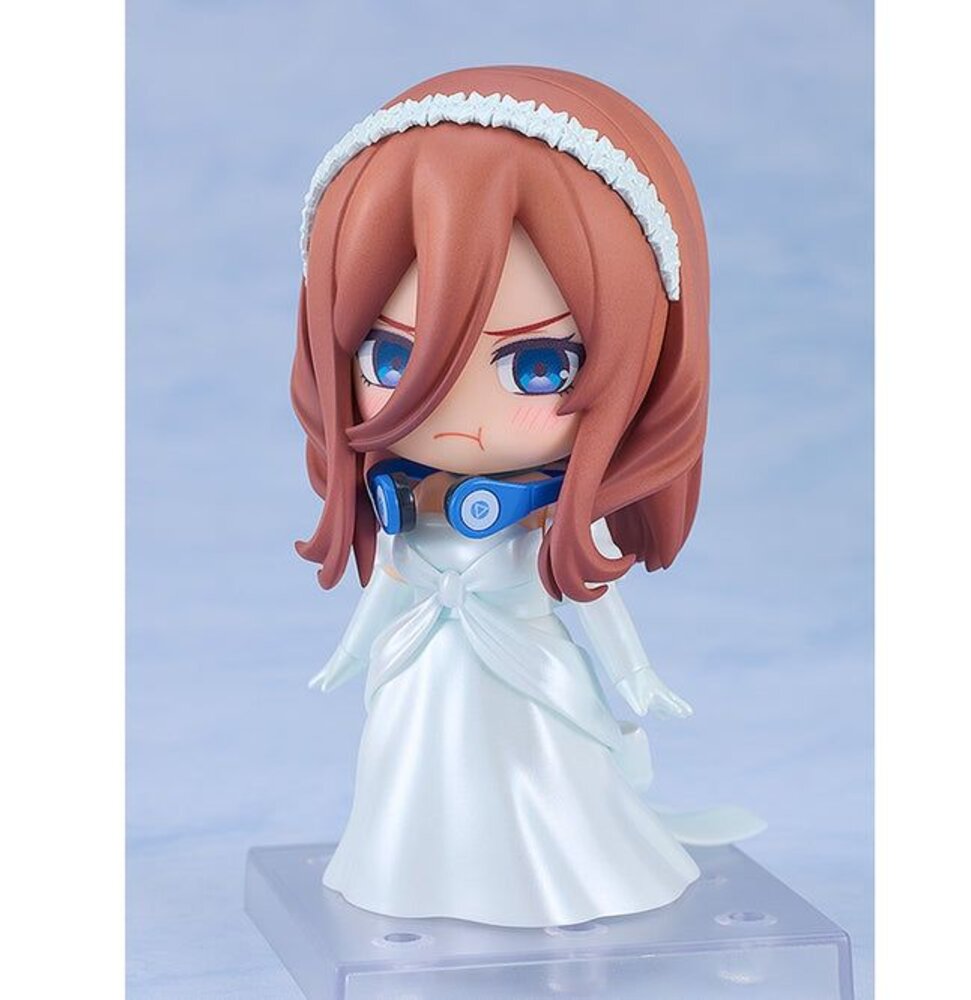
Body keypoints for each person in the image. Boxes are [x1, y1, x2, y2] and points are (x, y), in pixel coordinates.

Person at [290, 66, 760, 928]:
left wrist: (637, 675)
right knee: (412, 770)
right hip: (421, 669)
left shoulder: (538, 519)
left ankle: (552, 881)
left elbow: (596, 598)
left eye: (538, 365)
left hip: (528, 673)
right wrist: (351, 653)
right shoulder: (411, 509)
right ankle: (412, 875)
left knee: (539, 777)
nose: (455, 414)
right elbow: (390, 583)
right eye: (392, 358)